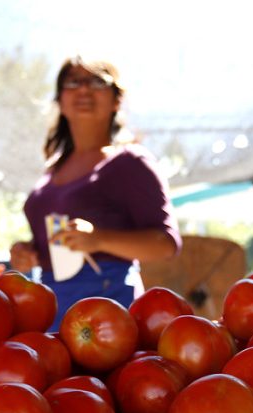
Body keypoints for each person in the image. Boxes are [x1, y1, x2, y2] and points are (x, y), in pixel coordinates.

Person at [10, 55, 182, 332]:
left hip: (109, 312)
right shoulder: (52, 171)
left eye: (98, 82)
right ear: (60, 101)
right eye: (73, 82)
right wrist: (28, 253)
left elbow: (165, 244)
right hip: (51, 309)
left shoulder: (130, 162)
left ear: (117, 100)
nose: (84, 89)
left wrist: (99, 239)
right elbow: (52, 247)